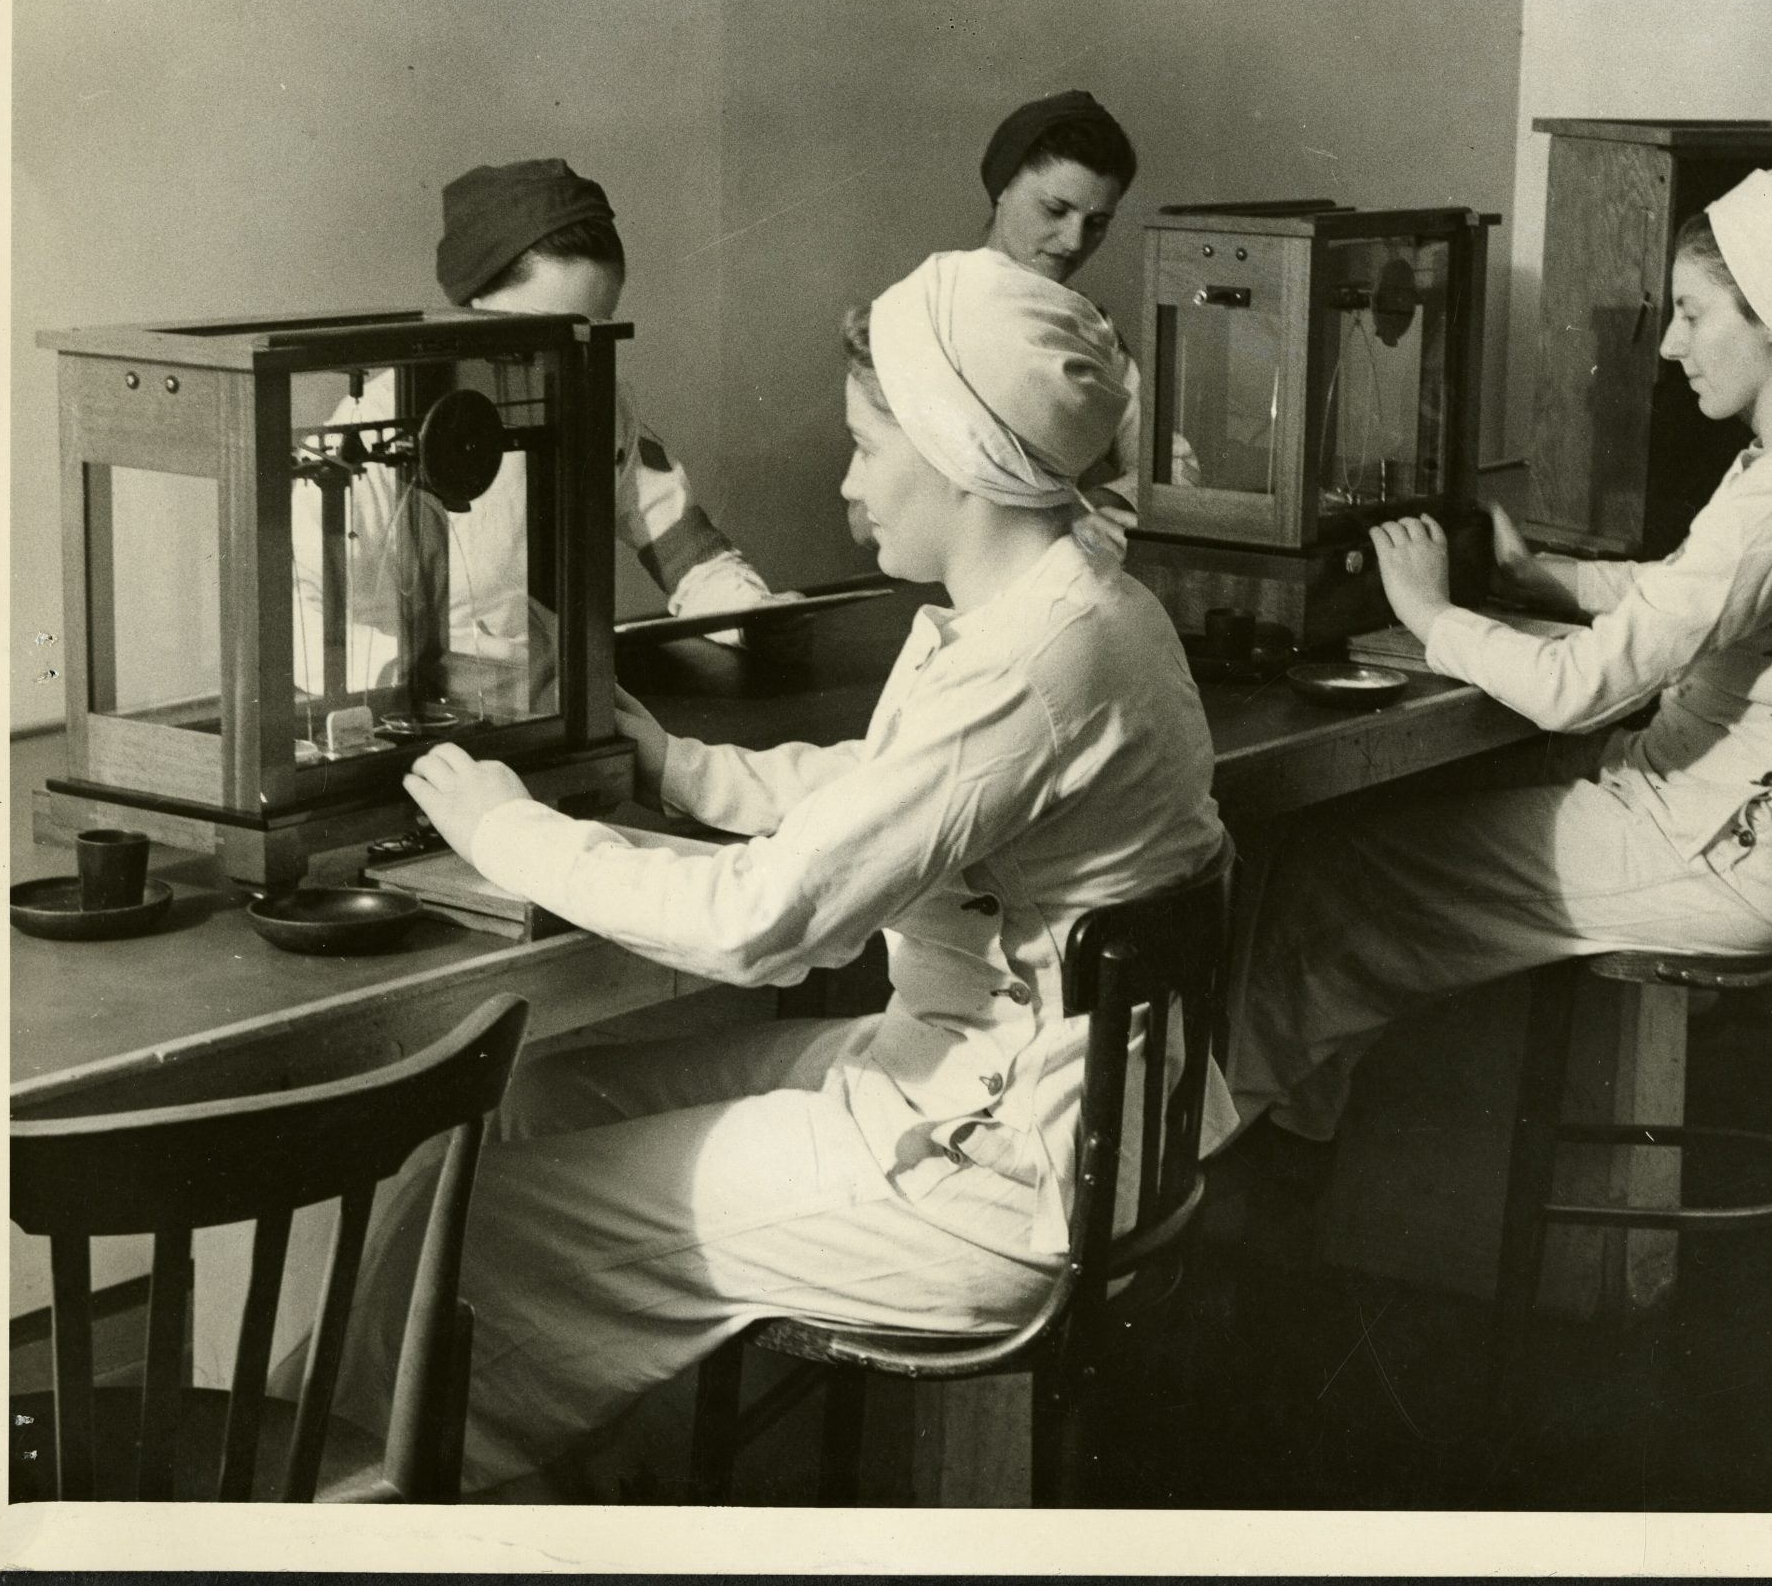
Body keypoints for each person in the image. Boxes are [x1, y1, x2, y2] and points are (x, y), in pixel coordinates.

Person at [331, 246, 1226, 1494]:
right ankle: (568, 1481)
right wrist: (678, 764)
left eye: (866, 443)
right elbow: (890, 792)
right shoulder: (1073, 602)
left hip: (996, 1184)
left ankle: (374, 1514)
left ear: (962, 456)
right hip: (1019, 1100)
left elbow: (765, 920)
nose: (847, 475)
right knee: (534, 1105)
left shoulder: (1031, 661)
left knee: (471, 1229)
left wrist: (504, 830)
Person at [1227, 169, 1772, 1146]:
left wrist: (1428, 614)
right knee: (1371, 838)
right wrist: (1541, 574)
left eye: (1689, 312)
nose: (1670, 343)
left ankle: (1224, 1156)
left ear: (1769, 320)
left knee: (1337, 862)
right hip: (1733, 816)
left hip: (1720, 854)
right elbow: (1693, 589)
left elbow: (1577, 690)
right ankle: (1287, 1128)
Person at [293, 159, 777, 703]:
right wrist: (415, 674)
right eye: (539, 336)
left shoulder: (598, 405)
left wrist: (756, 621)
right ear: (472, 305)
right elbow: (292, 616)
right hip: (420, 723)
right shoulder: (370, 429)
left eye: (588, 336)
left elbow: (689, 553)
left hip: (555, 704)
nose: (564, 365)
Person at [974, 89, 1196, 557]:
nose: (1075, 241)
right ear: (1002, 189)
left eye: (1097, 222)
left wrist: (1102, 501)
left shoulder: (1089, 329)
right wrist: (1061, 516)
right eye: (1055, 210)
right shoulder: (928, 317)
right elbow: (866, 518)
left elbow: (1172, 467)